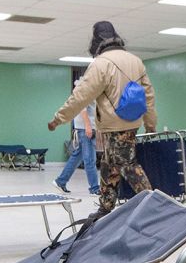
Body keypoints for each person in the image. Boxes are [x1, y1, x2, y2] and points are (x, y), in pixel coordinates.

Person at [48, 21, 157, 215]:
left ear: (96, 41)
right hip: (132, 123)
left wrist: (59, 118)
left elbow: (81, 96)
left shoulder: (101, 63)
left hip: (114, 124)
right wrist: (150, 123)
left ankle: (155, 206)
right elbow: (148, 95)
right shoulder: (135, 61)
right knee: (109, 164)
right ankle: (105, 208)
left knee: (126, 164)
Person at [54, 81, 101, 197]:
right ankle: (95, 188)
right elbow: (82, 109)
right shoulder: (85, 90)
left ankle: (60, 181)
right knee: (90, 159)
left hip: (85, 128)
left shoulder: (90, 90)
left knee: (77, 156)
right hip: (85, 129)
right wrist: (88, 126)